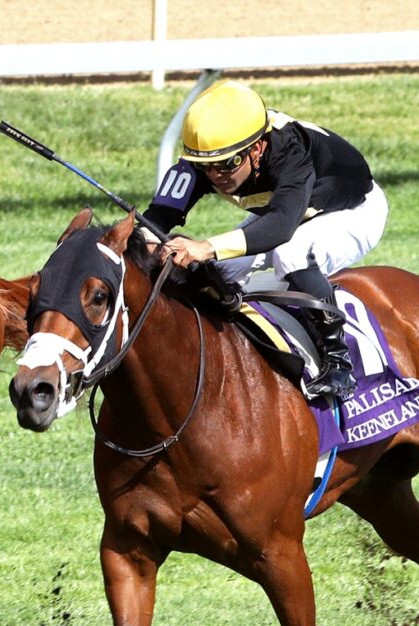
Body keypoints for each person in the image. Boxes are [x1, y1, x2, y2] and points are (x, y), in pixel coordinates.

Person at [141, 79, 388, 399]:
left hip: (354, 209)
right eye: (206, 166)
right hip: (289, 210)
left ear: (256, 149)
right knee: (218, 277)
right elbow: (161, 211)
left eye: (227, 164)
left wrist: (205, 247)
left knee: (292, 255)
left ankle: (338, 363)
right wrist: (143, 238)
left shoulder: (290, 152)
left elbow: (280, 229)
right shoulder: (206, 158)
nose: (216, 175)